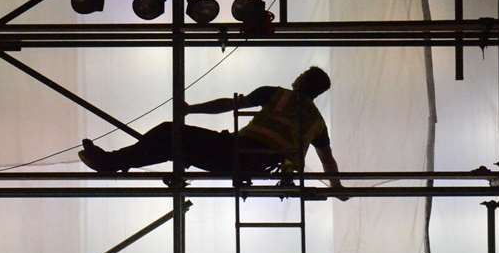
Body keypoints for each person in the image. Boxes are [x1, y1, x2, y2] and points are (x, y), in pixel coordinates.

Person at [77, 66, 347, 196]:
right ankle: (113, 162)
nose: (297, 76)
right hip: (255, 166)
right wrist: (336, 188)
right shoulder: (317, 122)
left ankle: (111, 162)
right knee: (173, 144)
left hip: (235, 151)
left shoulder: (277, 94)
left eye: (302, 75)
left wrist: (190, 109)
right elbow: (328, 161)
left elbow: (227, 105)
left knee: (170, 133)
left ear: (303, 81)